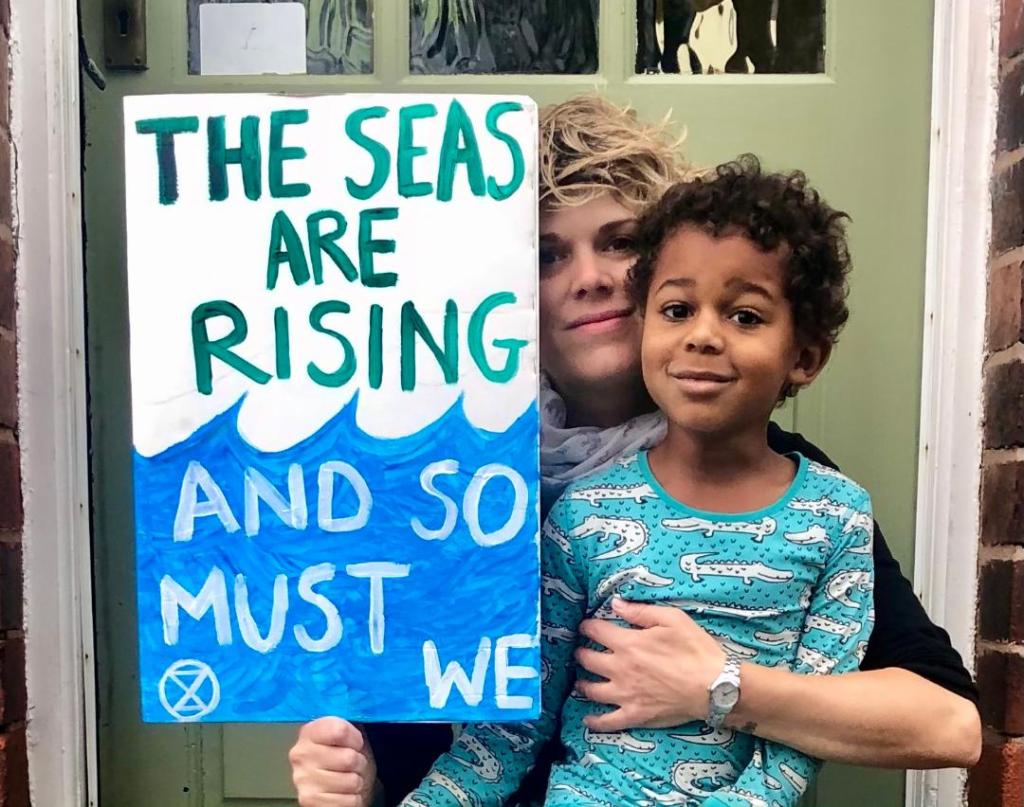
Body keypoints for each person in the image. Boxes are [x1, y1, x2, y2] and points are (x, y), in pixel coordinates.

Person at [289, 96, 980, 807]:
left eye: (617, 241)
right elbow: (436, 732)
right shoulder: (448, 487)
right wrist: (353, 777)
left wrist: (723, 685)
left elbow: (948, 723)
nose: (588, 276)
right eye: (548, 253)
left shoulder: (797, 495)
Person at [402, 156, 876, 806]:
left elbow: (802, 740)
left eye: (745, 315)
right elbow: (511, 729)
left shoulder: (837, 518)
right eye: (678, 309)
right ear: (645, 323)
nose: (704, 335)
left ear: (806, 356)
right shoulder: (585, 514)